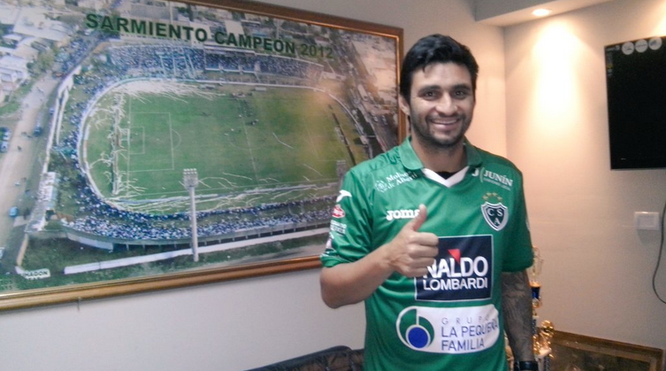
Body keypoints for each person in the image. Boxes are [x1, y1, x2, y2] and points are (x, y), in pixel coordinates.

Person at [320, 34, 537, 371]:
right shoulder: (366, 182)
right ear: (405, 102)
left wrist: (526, 362)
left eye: (460, 93)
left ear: (474, 98)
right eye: (430, 93)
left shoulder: (505, 178)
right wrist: (388, 257)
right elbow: (332, 292)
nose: (447, 107)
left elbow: (513, 281)